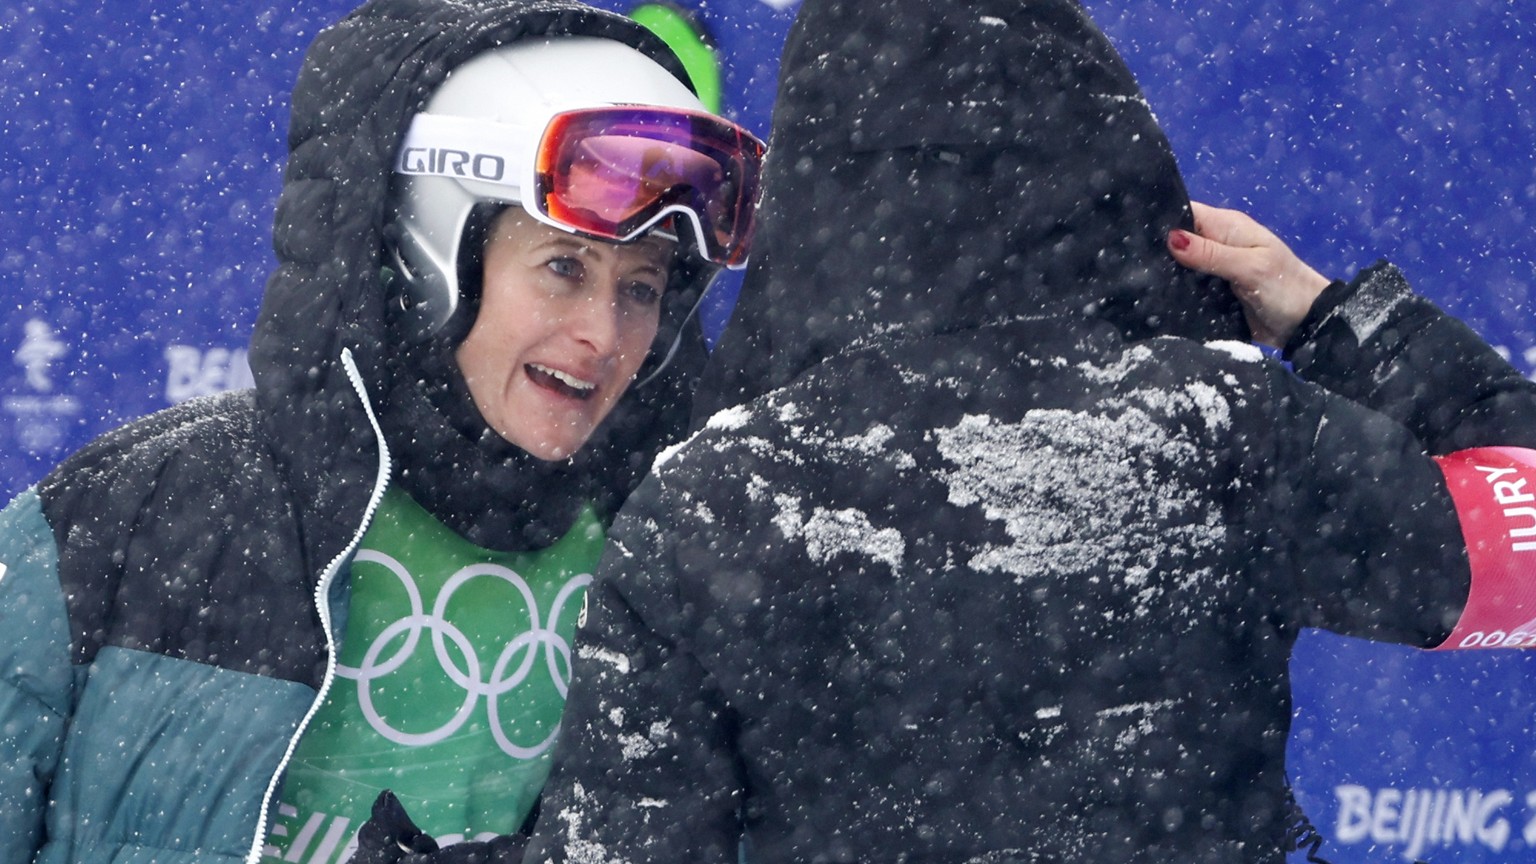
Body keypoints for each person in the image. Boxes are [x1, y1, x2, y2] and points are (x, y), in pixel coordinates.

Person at [520, 0, 1536, 862]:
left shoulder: (715, 499)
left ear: (817, 188)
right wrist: (1335, 320)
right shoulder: (1225, 431)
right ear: (1106, 154)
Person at [0, 0, 764, 861]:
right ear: (435, 255)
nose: (605, 334)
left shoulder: (658, 570)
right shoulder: (129, 517)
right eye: (563, 266)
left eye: (642, 288)